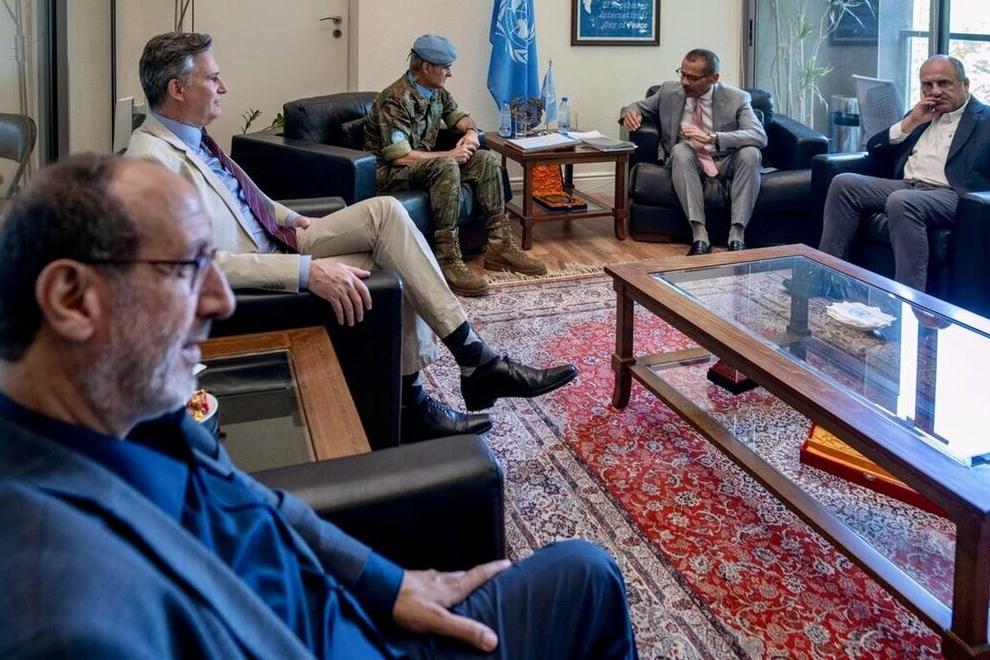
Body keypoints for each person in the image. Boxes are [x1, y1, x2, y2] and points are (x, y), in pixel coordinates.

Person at [0, 153, 638, 659]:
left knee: (585, 573)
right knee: (588, 575)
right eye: (189, 268)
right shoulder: (66, 610)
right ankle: (472, 366)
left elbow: (257, 503)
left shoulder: (135, 412)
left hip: (359, 616)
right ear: (73, 299)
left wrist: (389, 584)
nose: (221, 302)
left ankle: (458, 370)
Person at [127, 31, 577, 444]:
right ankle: (441, 386)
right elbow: (196, 265)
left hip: (282, 236)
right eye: (213, 78)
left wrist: (292, 216)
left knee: (387, 215)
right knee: (397, 256)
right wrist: (307, 272)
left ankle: (465, 366)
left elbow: (245, 199)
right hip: (262, 273)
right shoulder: (150, 163)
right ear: (177, 89)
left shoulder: (195, 139)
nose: (223, 87)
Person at [365, 34, 547, 297]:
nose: (450, 73)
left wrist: (471, 133)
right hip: (389, 173)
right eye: (446, 67)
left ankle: (500, 247)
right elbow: (399, 157)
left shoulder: (438, 93)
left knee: (484, 159)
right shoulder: (395, 99)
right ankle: (448, 259)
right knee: (447, 165)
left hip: (423, 167)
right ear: (427, 67)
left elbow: (463, 120)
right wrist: (450, 155)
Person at [819, 55, 990, 293]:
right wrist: (911, 121)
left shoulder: (985, 120)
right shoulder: (921, 115)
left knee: (902, 201)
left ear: (965, 84)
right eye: (927, 85)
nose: (935, 91)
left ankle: (908, 300)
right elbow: (874, 149)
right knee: (843, 183)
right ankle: (828, 279)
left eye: (944, 83)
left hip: (954, 195)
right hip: (909, 185)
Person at [619, 49, 767, 256]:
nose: (685, 82)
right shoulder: (669, 91)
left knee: (751, 153)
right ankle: (699, 236)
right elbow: (634, 106)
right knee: (680, 150)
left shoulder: (737, 98)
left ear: (714, 78)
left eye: (693, 78)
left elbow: (759, 136)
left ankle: (737, 235)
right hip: (689, 158)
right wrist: (630, 113)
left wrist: (713, 137)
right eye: (683, 74)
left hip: (724, 158)